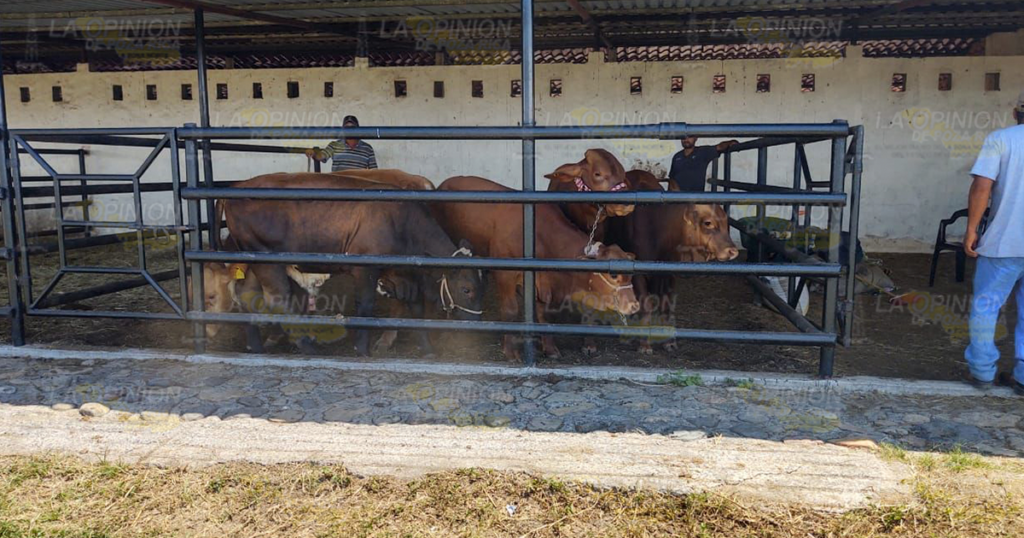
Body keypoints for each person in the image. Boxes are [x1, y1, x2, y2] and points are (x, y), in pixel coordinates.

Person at [964, 90, 1024, 394]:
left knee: (986, 306)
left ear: (1016, 113)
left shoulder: (1001, 139)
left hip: (1004, 242)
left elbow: (982, 186)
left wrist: (972, 229)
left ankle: (983, 372)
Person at [305, 115, 378, 171]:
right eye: (347, 128)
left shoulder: (367, 148)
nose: (349, 130)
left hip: (358, 187)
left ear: (357, 129)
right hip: (338, 187)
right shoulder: (335, 145)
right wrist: (313, 154)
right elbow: (322, 156)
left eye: (352, 127)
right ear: (343, 129)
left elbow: (374, 171)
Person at [667, 136, 738, 192]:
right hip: (677, 200)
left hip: (695, 199)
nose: (686, 139)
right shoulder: (677, 156)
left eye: (690, 136)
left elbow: (719, 147)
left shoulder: (703, 152)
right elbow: (672, 178)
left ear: (696, 138)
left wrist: (731, 143)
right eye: (683, 137)